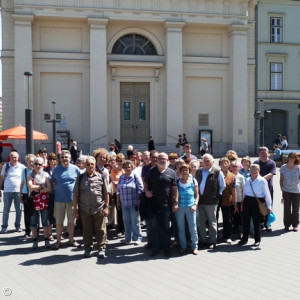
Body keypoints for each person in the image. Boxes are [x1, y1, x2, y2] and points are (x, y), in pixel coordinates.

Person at [73, 156, 109, 258]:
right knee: (87, 230)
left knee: (101, 230)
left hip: (99, 208)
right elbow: (75, 195)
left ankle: (101, 249)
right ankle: (88, 248)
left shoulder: (100, 176)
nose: (90, 166)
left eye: (92, 164)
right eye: (87, 164)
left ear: (94, 165)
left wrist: (106, 207)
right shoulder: (80, 178)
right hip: (84, 209)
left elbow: (106, 194)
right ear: (84, 166)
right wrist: (75, 209)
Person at [144, 152, 178, 257]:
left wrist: (175, 202)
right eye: (159, 158)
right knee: (154, 227)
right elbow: (146, 183)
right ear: (156, 160)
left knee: (165, 227)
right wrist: (146, 191)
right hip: (153, 204)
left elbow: (175, 189)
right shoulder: (151, 171)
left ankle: (166, 248)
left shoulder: (172, 172)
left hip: (166, 204)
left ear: (167, 160)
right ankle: (155, 248)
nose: (161, 160)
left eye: (163, 158)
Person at [51, 150, 81, 249]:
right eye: (62, 157)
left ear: (70, 158)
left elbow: (79, 183)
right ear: (60, 159)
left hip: (72, 200)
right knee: (59, 222)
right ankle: (58, 241)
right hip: (59, 200)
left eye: (66, 157)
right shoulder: (56, 169)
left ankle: (71, 240)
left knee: (71, 222)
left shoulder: (75, 169)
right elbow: (54, 182)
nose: (64, 159)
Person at [195, 154, 226, 249]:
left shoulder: (217, 172)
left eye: (208, 161)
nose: (206, 162)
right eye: (204, 160)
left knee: (212, 222)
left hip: (211, 202)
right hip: (200, 201)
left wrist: (216, 195)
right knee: (201, 222)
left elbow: (222, 185)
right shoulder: (199, 171)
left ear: (212, 162)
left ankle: (212, 241)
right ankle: (203, 240)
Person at [238, 164, 272, 247]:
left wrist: (269, 206)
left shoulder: (262, 181)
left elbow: (267, 194)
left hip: (257, 202)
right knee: (245, 221)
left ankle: (257, 240)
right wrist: (242, 203)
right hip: (247, 201)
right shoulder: (247, 179)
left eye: (255, 169)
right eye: (252, 169)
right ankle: (244, 238)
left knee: (256, 222)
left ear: (258, 171)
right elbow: (244, 193)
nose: (253, 171)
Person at [27, 157, 52, 249]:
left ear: (42, 165)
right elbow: (30, 186)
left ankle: (46, 240)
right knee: (33, 222)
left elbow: (49, 188)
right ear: (33, 164)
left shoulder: (45, 174)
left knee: (45, 221)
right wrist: (42, 186)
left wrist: (38, 189)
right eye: (36, 164)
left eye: (40, 164)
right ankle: (34, 241)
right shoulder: (30, 174)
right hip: (33, 201)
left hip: (44, 200)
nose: (38, 166)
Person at [117, 160, 144, 245]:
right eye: (125, 167)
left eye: (129, 167)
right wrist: (118, 201)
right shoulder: (121, 177)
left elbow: (140, 189)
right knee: (126, 221)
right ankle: (127, 238)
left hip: (134, 202)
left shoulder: (135, 176)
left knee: (135, 220)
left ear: (132, 167)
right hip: (124, 203)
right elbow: (118, 190)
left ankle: (138, 237)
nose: (127, 168)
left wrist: (139, 200)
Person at [175, 164, 199, 255]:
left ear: (189, 171)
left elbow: (197, 195)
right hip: (180, 208)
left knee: (192, 228)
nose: (185, 171)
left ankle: (195, 246)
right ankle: (183, 246)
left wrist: (195, 205)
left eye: (187, 170)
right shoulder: (177, 181)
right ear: (180, 172)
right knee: (181, 228)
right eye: (183, 170)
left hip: (190, 207)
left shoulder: (193, 181)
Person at [0, 151, 25, 234]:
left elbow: (24, 180)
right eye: (12, 157)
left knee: (19, 210)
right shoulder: (5, 166)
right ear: (9, 158)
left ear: (18, 158)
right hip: (7, 191)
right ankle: (4, 227)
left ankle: (18, 225)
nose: (14, 159)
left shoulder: (22, 167)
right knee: (6, 210)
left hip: (18, 191)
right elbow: (2, 178)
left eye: (15, 157)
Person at [253, 146, 276, 231]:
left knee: (268, 206)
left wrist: (260, 180)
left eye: (265, 152)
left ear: (268, 153)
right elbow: (253, 173)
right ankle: (260, 223)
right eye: (261, 152)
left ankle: (268, 224)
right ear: (259, 153)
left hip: (268, 188)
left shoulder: (272, 163)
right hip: (258, 189)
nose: (263, 154)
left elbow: (271, 174)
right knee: (259, 206)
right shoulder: (256, 162)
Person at [279, 152, 300, 232]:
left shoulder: (298, 167)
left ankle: (295, 225)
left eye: (293, 157)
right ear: (288, 158)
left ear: (295, 159)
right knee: (287, 208)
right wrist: (281, 187)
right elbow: (281, 179)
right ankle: (287, 224)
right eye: (290, 157)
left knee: (295, 209)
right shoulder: (283, 167)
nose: (291, 158)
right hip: (286, 191)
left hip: (296, 191)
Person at [219, 157, 237, 244]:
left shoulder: (232, 176)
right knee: (214, 219)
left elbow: (234, 190)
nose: (224, 165)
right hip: (216, 200)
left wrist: (235, 202)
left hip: (227, 199)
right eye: (222, 163)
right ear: (219, 165)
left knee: (228, 219)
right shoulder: (216, 174)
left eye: (226, 163)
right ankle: (216, 236)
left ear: (228, 164)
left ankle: (227, 236)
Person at [19, 154, 35, 238]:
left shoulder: (37, 170)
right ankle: (27, 231)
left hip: (35, 194)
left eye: (32, 161)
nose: (31, 163)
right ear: (27, 162)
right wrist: (20, 194)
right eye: (29, 162)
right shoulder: (24, 171)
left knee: (35, 213)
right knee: (27, 213)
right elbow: (21, 183)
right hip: (26, 194)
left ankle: (36, 230)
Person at [44, 152, 58, 240]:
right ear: (48, 161)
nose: (52, 161)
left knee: (57, 214)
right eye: (50, 159)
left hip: (58, 194)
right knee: (49, 214)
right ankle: (49, 234)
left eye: (54, 159)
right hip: (48, 195)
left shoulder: (59, 169)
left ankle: (58, 233)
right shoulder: (45, 170)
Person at [231, 160, 245, 236]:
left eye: (236, 166)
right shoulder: (228, 175)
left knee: (239, 217)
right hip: (230, 201)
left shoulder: (241, 177)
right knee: (232, 217)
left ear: (239, 167)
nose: (234, 168)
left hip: (239, 200)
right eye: (233, 166)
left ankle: (240, 231)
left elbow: (244, 190)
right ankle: (232, 230)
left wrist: (243, 201)